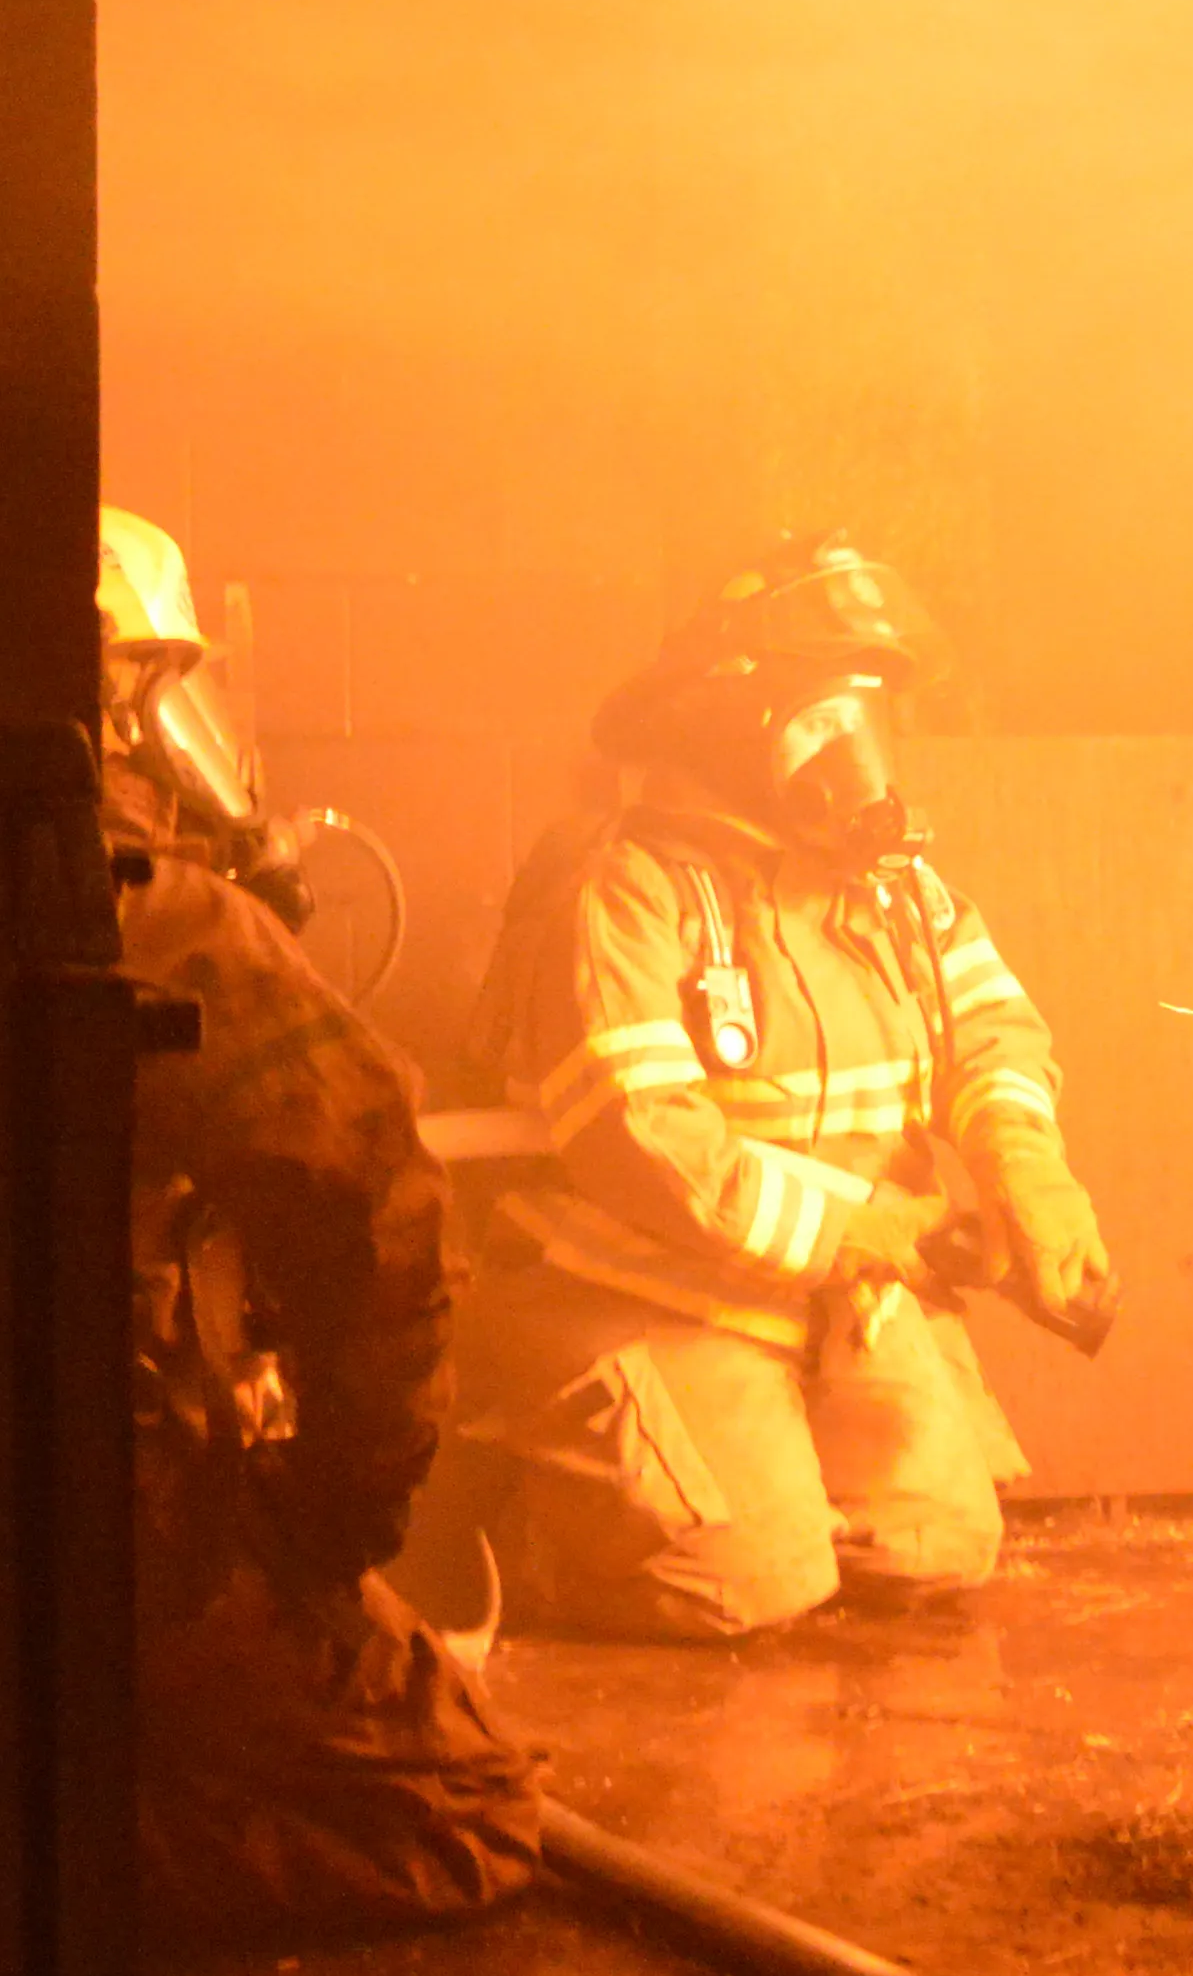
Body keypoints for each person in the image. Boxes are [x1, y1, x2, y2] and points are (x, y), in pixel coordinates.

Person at [437, 536, 1120, 1640]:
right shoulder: (625, 891)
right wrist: (871, 1228)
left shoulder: (896, 892)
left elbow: (990, 1033)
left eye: (869, 723)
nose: (858, 761)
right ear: (727, 729)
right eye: (822, 724)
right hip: (651, 1293)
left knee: (933, 1549)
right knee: (741, 1581)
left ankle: (767, 1470)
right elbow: (641, 1138)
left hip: (834, 1303)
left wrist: (1025, 1169)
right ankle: (540, 1520)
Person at [93, 506, 540, 1934]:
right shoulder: (160, 925)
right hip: (109, 1543)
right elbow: (374, 1209)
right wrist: (329, 1527)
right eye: (161, 700)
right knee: (460, 1813)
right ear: (98, 703)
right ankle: (21, 1894)